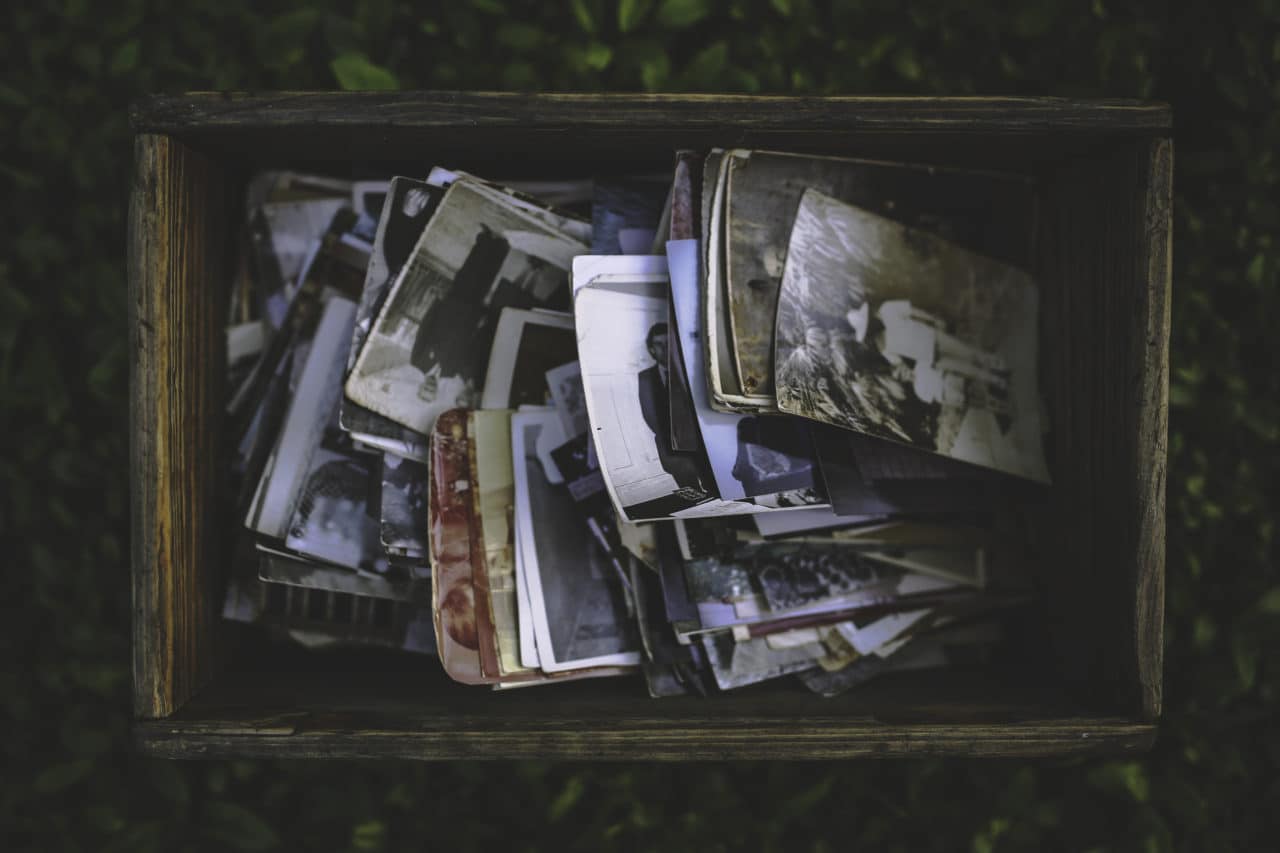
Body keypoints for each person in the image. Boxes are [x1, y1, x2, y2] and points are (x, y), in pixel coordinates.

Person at [636, 322, 706, 496]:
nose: (664, 348)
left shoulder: (689, 369)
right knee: (691, 495)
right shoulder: (645, 378)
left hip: (700, 441)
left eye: (668, 344)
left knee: (714, 488)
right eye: (659, 345)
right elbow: (650, 417)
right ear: (651, 349)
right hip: (670, 446)